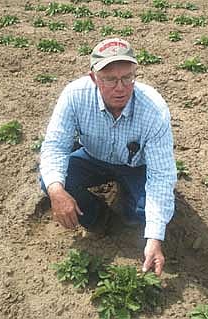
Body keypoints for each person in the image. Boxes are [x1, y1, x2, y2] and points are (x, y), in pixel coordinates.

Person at [40, 38, 177, 276]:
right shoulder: (75, 96)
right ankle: (97, 218)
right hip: (92, 157)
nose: (120, 87)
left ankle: (127, 200)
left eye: (127, 78)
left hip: (135, 166)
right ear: (94, 78)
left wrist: (155, 238)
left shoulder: (153, 110)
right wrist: (56, 192)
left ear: (135, 75)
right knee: (52, 182)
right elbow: (55, 146)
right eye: (110, 79)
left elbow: (162, 176)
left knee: (143, 216)